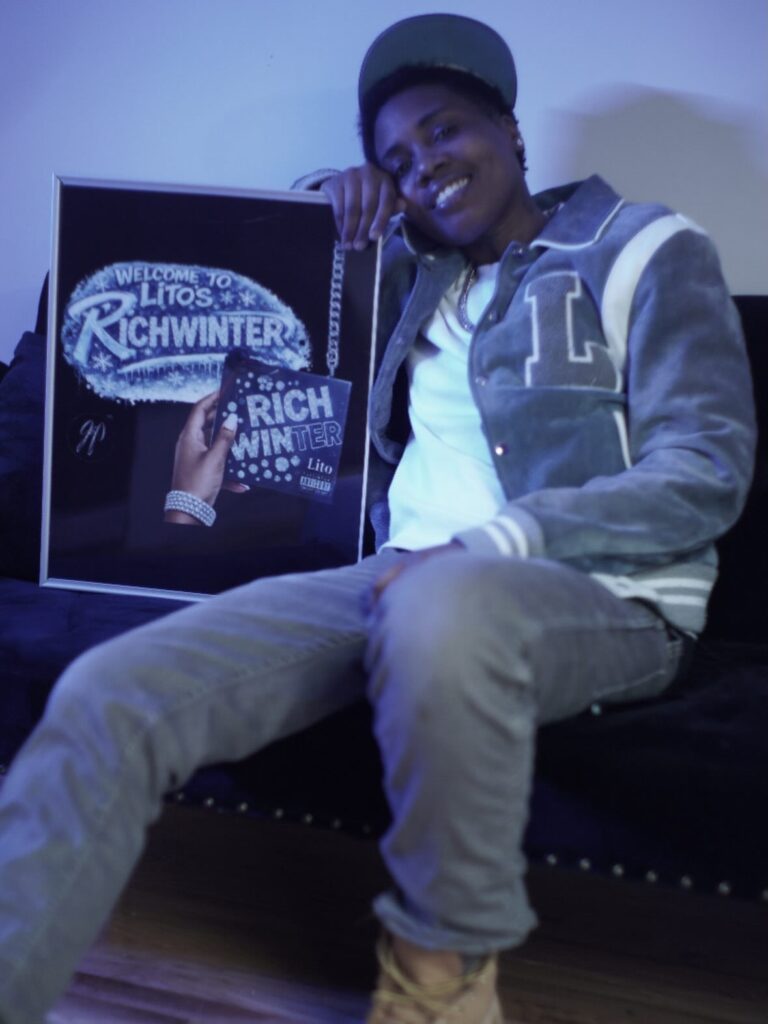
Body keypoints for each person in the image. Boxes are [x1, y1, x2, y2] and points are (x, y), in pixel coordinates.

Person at [0, 14, 755, 1024]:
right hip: (393, 580)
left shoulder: (645, 248)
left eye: (445, 130)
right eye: (397, 158)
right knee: (111, 692)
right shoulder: (406, 277)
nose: (424, 164)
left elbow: (704, 470)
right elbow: (281, 299)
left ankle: (438, 980)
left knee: (440, 608)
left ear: (510, 130)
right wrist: (331, 191)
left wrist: (493, 545)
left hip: (601, 593)